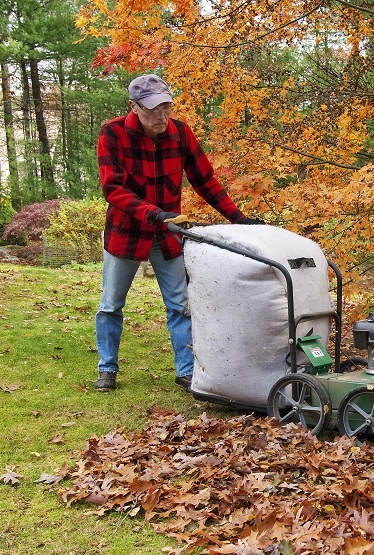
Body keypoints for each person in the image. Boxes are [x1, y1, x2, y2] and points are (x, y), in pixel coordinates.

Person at [94, 73, 261, 392]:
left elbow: (206, 182)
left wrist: (238, 218)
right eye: (153, 109)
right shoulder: (112, 133)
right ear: (134, 106)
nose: (161, 115)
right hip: (126, 232)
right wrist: (155, 214)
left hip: (167, 234)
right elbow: (113, 189)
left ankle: (186, 371)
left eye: (166, 107)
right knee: (111, 304)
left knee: (180, 304)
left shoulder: (180, 133)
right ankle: (107, 368)